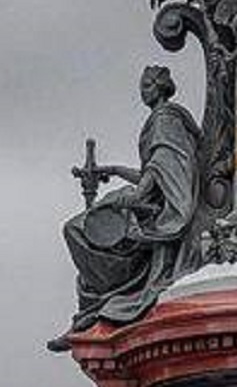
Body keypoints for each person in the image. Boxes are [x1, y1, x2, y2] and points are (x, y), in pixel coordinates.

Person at [57, 65, 202, 334]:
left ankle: (101, 301)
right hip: (151, 200)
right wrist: (113, 170)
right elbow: (153, 172)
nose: (143, 92)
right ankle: (98, 302)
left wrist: (134, 198)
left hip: (156, 208)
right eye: (141, 87)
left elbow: (160, 169)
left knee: (76, 229)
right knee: (81, 229)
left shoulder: (165, 119)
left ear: (160, 88)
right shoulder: (162, 120)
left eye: (147, 86)